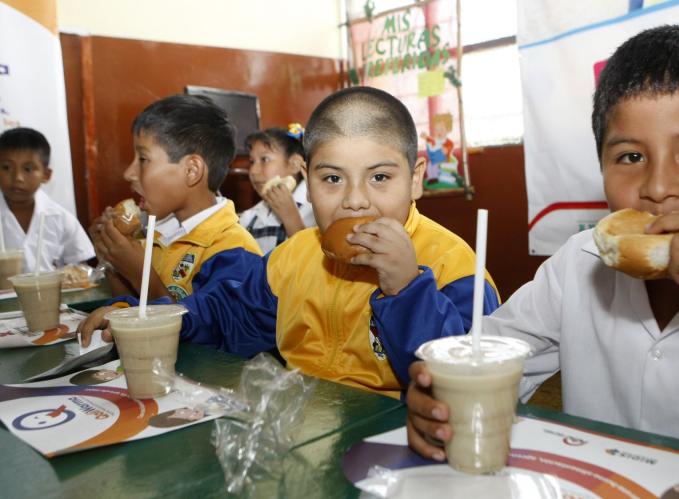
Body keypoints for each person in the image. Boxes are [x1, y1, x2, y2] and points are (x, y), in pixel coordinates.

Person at [406, 24, 679, 463]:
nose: (659, 186)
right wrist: (439, 397)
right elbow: (493, 353)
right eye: (630, 157)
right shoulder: (580, 263)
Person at [80, 86, 500, 398]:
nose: (355, 201)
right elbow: (227, 315)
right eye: (332, 179)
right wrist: (150, 317)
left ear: (415, 178)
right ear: (306, 178)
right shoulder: (295, 257)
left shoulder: (456, 269)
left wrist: (408, 290)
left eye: (380, 177)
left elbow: (462, 385)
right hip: (302, 433)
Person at [86, 94, 262, 302]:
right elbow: (132, 312)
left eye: (143, 159)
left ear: (191, 170)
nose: (129, 173)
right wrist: (112, 260)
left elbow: (201, 332)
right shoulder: (153, 236)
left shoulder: (235, 251)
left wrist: (140, 272)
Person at [0, 127, 94, 272]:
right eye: (6, 167)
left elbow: (81, 271)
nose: (17, 178)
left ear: (46, 175)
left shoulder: (61, 219)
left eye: (28, 169)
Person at [238, 124, 316, 253]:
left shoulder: (316, 209)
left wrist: (290, 217)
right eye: (252, 161)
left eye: (265, 159)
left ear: (295, 164)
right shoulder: (249, 217)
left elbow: (313, 262)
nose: (253, 171)